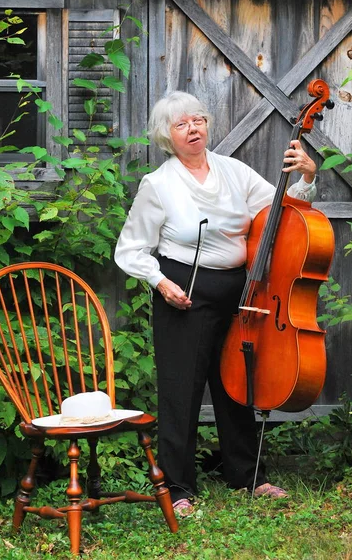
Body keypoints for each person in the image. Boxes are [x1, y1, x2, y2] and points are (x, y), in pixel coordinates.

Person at [114, 91, 317, 517]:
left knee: (237, 385)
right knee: (181, 392)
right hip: (183, 292)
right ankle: (177, 486)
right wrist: (161, 283)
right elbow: (131, 250)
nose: (193, 129)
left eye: (198, 120)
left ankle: (247, 476)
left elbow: (281, 212)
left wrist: (308, 178)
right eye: (181, 124)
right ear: (167, 136)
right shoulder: (159, 184)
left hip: (239, 293)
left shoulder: (233, 171)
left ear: (207, 125)